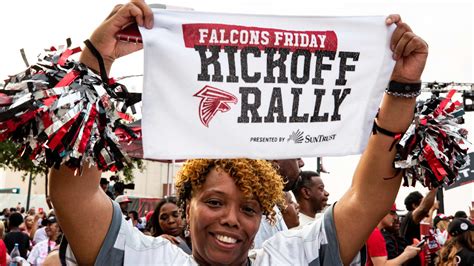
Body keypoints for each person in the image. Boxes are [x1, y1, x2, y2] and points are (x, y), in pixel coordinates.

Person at [48, 1, 428, 265]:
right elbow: (72, 194)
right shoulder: (145, 259)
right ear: (186, 207)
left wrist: (403, 86)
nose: (231, 219)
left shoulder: (291, 258)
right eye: (214, 202)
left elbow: (369, 199)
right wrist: (97, 59)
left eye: (248, 209)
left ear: (262, 218)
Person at [253, 158, 303, 248]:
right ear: (275, 159)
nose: (302, 163)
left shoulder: (271, 208)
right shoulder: (249, 208)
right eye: (297, 158)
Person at [399, 189, 437, 266]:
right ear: (414, 205)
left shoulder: (414, 221)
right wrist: (435, 187)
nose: (427, 204)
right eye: (423, 202)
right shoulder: (409, 217)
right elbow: (424, 209)